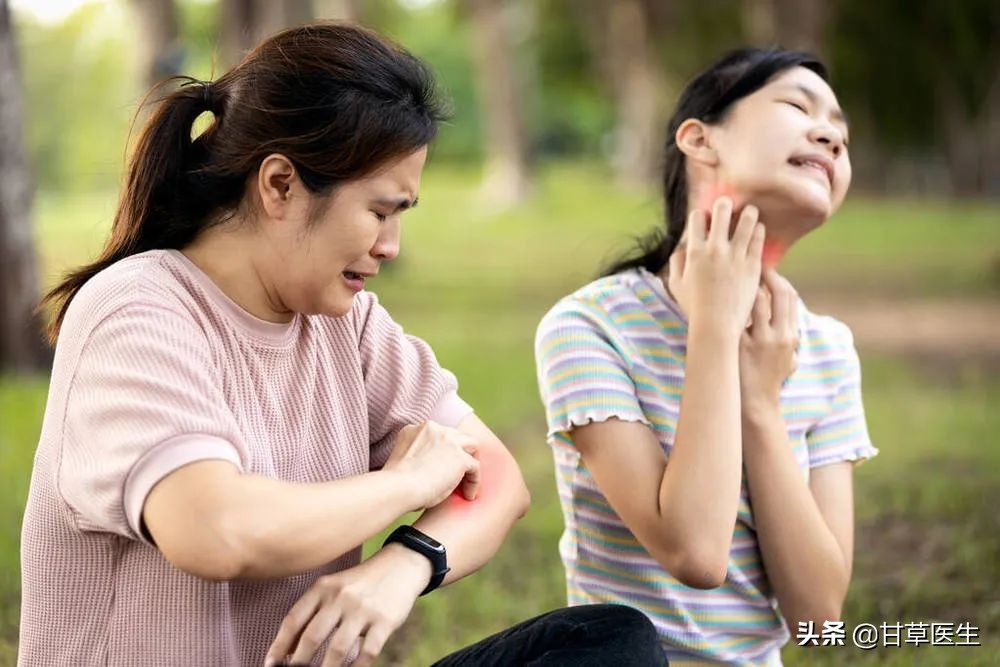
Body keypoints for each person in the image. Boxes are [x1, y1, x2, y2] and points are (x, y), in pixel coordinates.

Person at [19, 23, 664, 667]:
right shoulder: (137, 309)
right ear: (279, 185)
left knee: (612, 643)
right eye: (380, 212)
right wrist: (402, 484)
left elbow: (495, 483)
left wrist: (405, 565)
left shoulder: (343, 322)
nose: (391, 245)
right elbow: (215, 529)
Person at [534, 48, 879, 666]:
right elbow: (694, 552)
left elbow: (819, 617)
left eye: (842, 134)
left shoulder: (828, 350)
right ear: (698, 139)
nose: (830, 134)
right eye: (797, 107)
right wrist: (716, 330)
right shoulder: (590, 327)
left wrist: (761, 407)